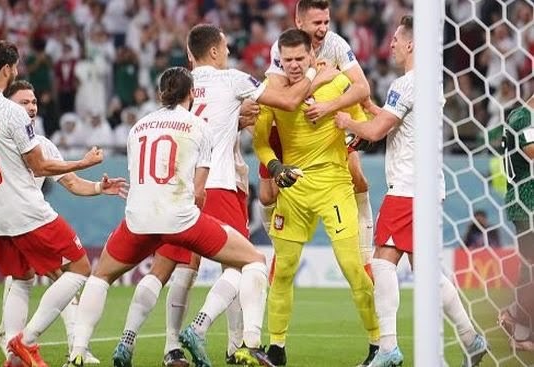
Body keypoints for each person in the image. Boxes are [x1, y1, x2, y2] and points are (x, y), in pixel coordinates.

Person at [109, 23, 338, 367]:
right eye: (226, 47)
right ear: (214, 51)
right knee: (244, 262)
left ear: (190, 55)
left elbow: (211, 120)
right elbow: (288, 101)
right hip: (216, 184)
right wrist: (315, 76)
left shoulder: (180, 86)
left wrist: (239, 119)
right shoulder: (231, 79)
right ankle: (223, 337)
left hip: (174, 190)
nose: (229, 52)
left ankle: (155, 345)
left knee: (170, 268)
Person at [66, 67, 274, 367]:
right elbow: (200, 191)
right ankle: (250, 343)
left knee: (101, 277)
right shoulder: (198, 126)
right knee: (253, 260)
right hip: (180, 218)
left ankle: (78, 352)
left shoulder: (137, 127)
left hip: (138, 220)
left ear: (160, 94)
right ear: (191, 93)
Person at [334, 15, 488, 367]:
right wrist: (372, 111)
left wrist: (346, 120)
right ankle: (471, 337)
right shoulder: (427, 81)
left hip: (407, 187)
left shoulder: (406, 84)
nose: (390, 45)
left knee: (381, 263)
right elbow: (395, 122)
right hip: (428, 186)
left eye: (396, 40)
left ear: (411, 44)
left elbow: (375, 133)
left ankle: (388, 348)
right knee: (428, 271)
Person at [0, 79, 127, 365]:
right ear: (8, 105)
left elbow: (70, 183)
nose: (30, 107)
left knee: (23, 279)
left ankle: (15, 352)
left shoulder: (40, 143)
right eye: (23, 102)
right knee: (73, 270)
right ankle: (40, 343)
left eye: (33, 102)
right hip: (25, 218)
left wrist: (98, 188)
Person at [253, 29, 379, 367]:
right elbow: (261, 142)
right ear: (280, 59)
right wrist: (275, 165)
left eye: (299, 59)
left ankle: (378, 344)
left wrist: (352, 134)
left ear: (312, 56)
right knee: (283, 271)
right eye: (287, 60)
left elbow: (364, 123)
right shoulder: (272, 94)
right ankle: (276, 348)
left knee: (353, 267)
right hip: (294, 188)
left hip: (334, 185)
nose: (293, 65)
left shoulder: (337, 83)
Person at [499, 95, 534, 350]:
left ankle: (517, 325)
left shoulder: (522, 116)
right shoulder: (525, 117)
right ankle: (516, 322)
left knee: (530, 268)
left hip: (526, 200)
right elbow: (531, 152)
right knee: (531, 268)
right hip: (526, 201)